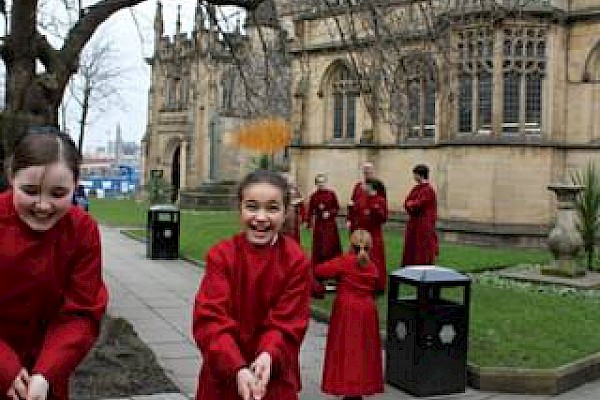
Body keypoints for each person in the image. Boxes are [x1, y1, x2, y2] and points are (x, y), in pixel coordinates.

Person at [0, 129, 108, 400]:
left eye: (58, 193)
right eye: (30, 191)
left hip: (44, 376)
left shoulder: (82, 231)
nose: (43, 206)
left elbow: (82, 311)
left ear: (76, 184)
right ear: (11, 177)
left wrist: (47, 372)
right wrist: (5, 366)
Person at [192, 169, 311, 400]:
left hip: (272, 377)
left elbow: (288, 322)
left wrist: (268, 354)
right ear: (240, 208)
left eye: (272, 208)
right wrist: (236, 366)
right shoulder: (222, 256)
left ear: (285, 212)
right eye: (252, 206)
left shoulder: (295, 261)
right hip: (223, 375)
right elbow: (210, 319)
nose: (261, 217)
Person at [314, 229, 384, 400]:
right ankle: (360, 387)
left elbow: (320, 270)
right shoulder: (372, 266)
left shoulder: (345, 261)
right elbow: (379, 284)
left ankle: (347, 386)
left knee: (346, 350)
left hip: (347, 309)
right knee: (363, 352)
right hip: (367, 310)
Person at [347, 162, 388, 291]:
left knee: (373, 258)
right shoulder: (360, 192)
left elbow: (383, 217)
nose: (362, 186)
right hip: (360, 232)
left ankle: (375, 283)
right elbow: (355, 208)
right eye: (364, 169)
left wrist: (375, 210)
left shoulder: (379, 199)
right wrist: (350, 218)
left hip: (373, 235)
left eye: (368, 170)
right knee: (356, 256)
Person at [401, 164, 439, 266]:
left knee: (422, 248)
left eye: (415, 174)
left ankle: (421, 269)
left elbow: (418, 205)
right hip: (414, 222)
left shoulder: (428, 190)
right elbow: (406, 202)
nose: (413, 177)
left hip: (423, 225)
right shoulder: (416, 188)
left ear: (420, 175)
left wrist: (411, 204)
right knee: (411, 246)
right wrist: (410, 204)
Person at [307, 173, 342, 266]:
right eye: (319, 182)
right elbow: (310, 211)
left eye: (322, 182)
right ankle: (319, 268)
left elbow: (337, 208)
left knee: (330, 246)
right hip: (319, 225)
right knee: (320, 247)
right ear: (316, 184)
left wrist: (330, 213)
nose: (321, 184)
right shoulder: (313, 196)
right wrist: (309, 224)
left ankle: (333, 267)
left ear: (326, 182)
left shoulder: (331, 194)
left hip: (330, 225)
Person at [281, 176, 306, 244]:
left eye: (290, 180)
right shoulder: (281, 190)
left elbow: (302, 205)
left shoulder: (296, 191)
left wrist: (303, 217)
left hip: (294, 216)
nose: (289, 182)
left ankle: (294, 248)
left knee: (294, 233)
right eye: (287, 180)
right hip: (283, 214)